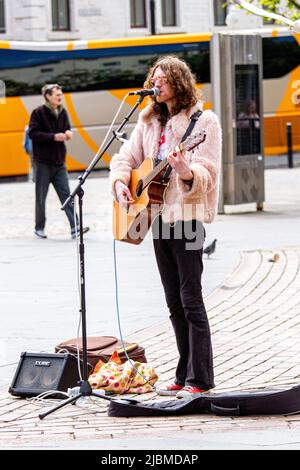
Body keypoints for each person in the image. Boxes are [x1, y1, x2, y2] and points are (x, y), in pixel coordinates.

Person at [109, 56, 222, 398]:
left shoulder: (204, 123)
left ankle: (200, 379)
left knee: (191, 301)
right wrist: (119, 183)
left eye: (163, 80)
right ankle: (182, 372)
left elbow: (209, 171)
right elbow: (124, 159)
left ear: (179, 83)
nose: (156, 85)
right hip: (158, 218)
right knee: (173, 302)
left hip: (187, 220)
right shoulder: (148, 121)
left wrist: (187, 171)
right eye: (153, 79)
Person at [29, 84, 89, 239]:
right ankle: (39, 228)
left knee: (67, 195)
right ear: (48, 96)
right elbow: (33, 134)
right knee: (41, 197)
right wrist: (53, 137)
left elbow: (67, 128)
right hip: (42, 162)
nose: (60, 96)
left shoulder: (63, 112)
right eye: (57, 94)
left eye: (60, 94)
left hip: (59, 162)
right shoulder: (38, 112)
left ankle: (75, 227)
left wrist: (68, 133)